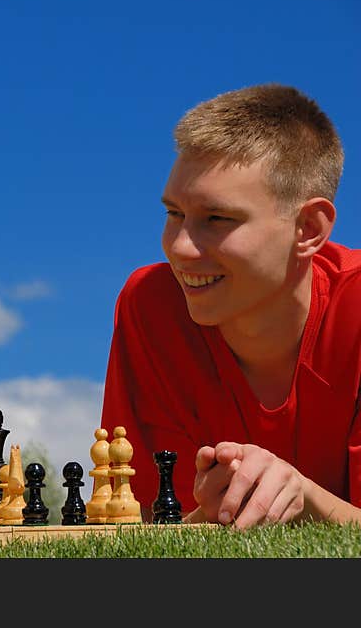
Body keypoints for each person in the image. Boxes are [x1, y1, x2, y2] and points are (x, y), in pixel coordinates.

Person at [101, 84, 361, 529]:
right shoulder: (150, 306)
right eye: (174, 214)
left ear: (308, 228)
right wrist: (214, 511)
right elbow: (151, 525)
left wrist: (301, 494)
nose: (180, 248)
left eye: (217, 219)